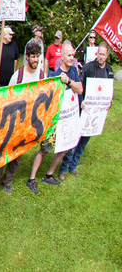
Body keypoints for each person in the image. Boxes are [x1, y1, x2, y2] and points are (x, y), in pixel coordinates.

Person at [26, 41, 83, 194]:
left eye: (73, 55)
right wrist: (62, 83)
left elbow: (80, 89)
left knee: (65, 148)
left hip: (69, 120)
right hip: (55, 121)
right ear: (62, 56)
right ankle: (31, 178)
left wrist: (69, 81)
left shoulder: (73, 72)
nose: (72, 58)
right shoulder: (54, 75)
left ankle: (49, 174)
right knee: (45, 149)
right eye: (69, 55)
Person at [0, 42, 46, 195]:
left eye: (37, 56)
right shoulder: (18, 76)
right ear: (26, 57)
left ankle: (8, 182)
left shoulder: (42, 75)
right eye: (32, 56)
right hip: (13, 120)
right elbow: (8, 98)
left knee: (18, 154)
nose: (35, 59)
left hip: (29, 122)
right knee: (3, 151)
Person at [59, 41, 112, 180]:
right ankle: (64, 169)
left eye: (103, 54)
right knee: (74, 139)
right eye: (99, 53)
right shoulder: (88, 68)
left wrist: (108, 103)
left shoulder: (109, 71)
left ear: (107, 55)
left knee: (84, 141)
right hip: (83, 108)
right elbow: (80, 86)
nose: (100, 56)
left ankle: (73, 166)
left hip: (96, 112)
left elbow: (109, 91)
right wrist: (81, 100)